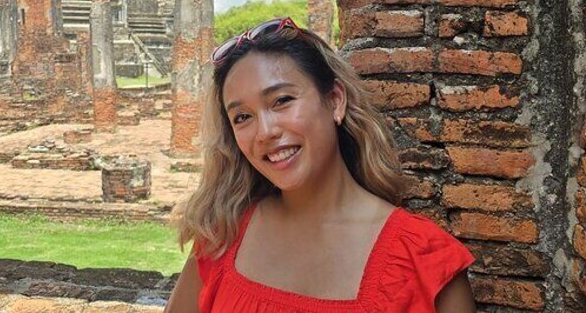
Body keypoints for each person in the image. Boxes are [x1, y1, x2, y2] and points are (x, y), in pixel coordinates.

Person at [165, 17, 475, 312]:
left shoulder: (424, 260)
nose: (265, 132)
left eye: (282, 100)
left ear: (335, 100)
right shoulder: (221, 237)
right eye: (242, 117)